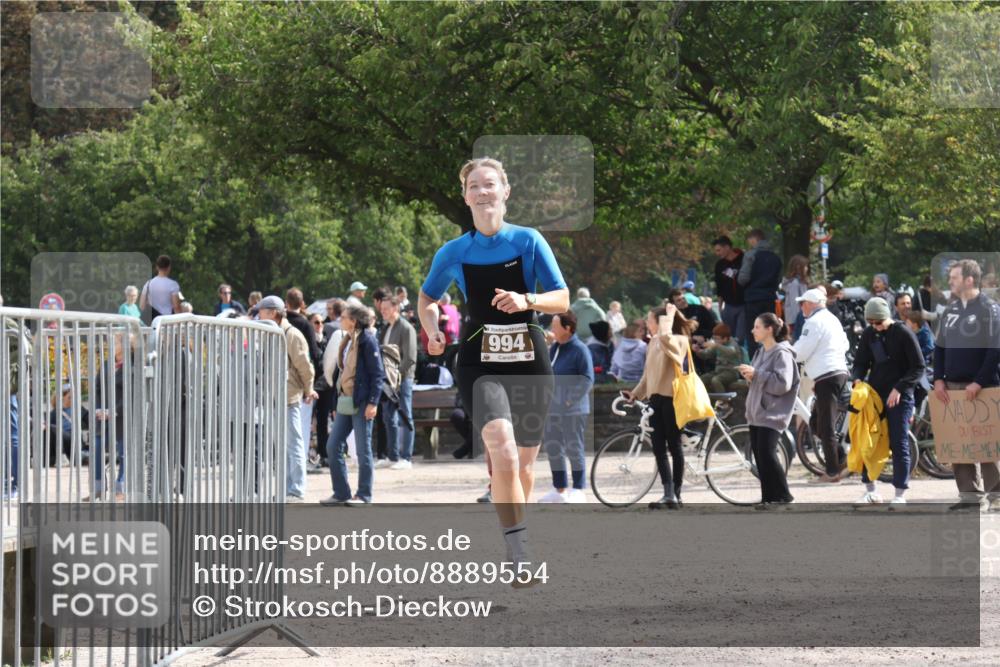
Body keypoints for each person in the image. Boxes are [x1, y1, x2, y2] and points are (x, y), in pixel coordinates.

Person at [418, 157, 569, 576]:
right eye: (474, 187)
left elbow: (562, 297)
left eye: (490, 184)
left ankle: (518, 529)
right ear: (465, 197)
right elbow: (427, 298)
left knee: (522, 464)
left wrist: (528, 301)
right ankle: (518, 550)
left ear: (505, 192)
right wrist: (431, 328)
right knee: (501, 450)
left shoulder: (528, 241)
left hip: (529, 359)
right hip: (478, 359)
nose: (483, 192)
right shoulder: (453, 252)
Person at [932, 259, 1000, 511]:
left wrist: (978, 382)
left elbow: (995, 351)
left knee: (985, 443)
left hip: (982, 388)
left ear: (969, 280)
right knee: (958, 444)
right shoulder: (950, 310)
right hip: (950, 387)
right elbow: (939, 348)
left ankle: (996, 496)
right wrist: (938, 379)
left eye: (954, 277)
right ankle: (969, 495)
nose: (950, 282)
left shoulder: (989, 309)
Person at [850, 297, 924, 506]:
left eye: (878, 322)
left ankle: (900, 493)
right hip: (874, 396)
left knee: (899, 442)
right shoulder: (869, 334)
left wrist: (899, 388)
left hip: (900, 396)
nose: (876, 327)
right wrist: (857, 378)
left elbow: (918, 367)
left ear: (887, 318)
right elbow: (861, 363)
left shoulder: (903, 333)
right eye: (871, 323)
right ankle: (870, 490)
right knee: (868, 440)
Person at [622, 303, 696, 510]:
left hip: (672, 400)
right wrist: (635, 394)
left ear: (662, 322)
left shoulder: (679, 341)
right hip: (655, 400)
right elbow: (648, 376)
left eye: (650, 320)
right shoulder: (653, 342)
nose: (647, 323)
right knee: (658, 448)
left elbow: (667, 341)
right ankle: (668, 492)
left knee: (674, 446)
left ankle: (677, 494)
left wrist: (668, 317)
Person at [321, 304, 385, 505]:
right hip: (346, 400)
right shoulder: (348, 339)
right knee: (333, 446)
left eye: (344, 316)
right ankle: (341, 493)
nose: (340, 319)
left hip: (362, 401)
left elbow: (377, 375)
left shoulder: (367, 340)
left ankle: (364, 494)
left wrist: (373, 402)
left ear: (354, 321)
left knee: (363, 449)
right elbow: (343, 373)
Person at [256, 295, 317, 503]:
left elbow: (305, 366)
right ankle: (286, 488)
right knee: (281, 446)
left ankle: (296, 489)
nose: (258, 315)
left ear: (273, 312)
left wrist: (309, 389)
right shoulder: (272, 332)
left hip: (288, 396)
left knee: (294, 444)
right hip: (274, 396)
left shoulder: (292, 335)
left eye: (261, 311)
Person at [736, 313, 799, 508]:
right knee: (760, 456)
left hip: (772, 413)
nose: (753, 330)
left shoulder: (782, 353)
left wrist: (757, 374)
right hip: (757, 413)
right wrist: (751, 376)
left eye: (757, 327)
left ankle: (783, 495)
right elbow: (760, 379)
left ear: (769, 329)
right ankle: (768, 498)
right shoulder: (760, 352)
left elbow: (782, 385)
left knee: (768, 454)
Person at [792, 288, 851, 483]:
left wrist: (784, 352)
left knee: (825, 426)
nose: (801, 306)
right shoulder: (832, 319)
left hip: (827, 376)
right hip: (837, 373)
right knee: (817, 422)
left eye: (803, 303)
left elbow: (800, 351)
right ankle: (840, 457)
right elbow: (845, 344)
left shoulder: (814, 322)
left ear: (811, 304)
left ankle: (832, 472)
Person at [538, 311, 594, 503]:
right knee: (554, 448)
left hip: (573, 410)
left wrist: (570, 400)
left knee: (574, 448)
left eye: (555, 326)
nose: (551, 329)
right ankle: (559, 488)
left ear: (567, 328)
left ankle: (578, 488)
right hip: (552, 409)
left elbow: (587, 378)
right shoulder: (554, 348)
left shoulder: (580, 349)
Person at [377, 295, 418, 470]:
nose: (382, 311)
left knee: (405, 416)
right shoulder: (386, 328)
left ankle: (406, 457)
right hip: (388, 380)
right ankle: (392, 456)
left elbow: (409, 358)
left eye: (386, 308)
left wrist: (397, 377)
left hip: (402, 379)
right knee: (388, 417)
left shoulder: (406, 328)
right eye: (381, 309)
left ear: (395, 308)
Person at [737, 229, 782, 358]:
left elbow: (743, 278)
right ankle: (771, 359)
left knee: (753, 332)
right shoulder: (775, 258)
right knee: (769, 331)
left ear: (753, 239)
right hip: (769, 298)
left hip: (752, 298)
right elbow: (778, 280)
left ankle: (755, 363)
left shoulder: (751, 255)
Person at [695, 323, 747, 394]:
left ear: (725, 338)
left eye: (717, 339)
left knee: (716, 380)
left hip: (731, 373)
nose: (715, 340)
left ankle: (723, 402)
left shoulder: (733, 343)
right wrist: (698, 351)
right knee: (702, 379)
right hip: (719, 371)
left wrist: (716, 345)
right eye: (714, 338)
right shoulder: (718, 345)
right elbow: (706, 355)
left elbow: (731, 351)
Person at [712, 235, 746, 344]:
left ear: (727, 247)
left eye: (719, 250)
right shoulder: (720, 265)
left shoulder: (744, 259)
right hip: (729, 305)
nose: (717, 253)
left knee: (740, 337)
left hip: (744, 304)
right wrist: (720, 306)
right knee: (728, 337)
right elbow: (719, 286)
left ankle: (741, 358)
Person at [139, 255, 181, 320]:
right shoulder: (173, 285)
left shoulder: (148, 283)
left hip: (152, 321)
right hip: (166, 321)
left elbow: (142, 306)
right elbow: (176, 307)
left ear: (157, 267)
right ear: (169, 267)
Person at [781, 255, 810, 337]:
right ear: (798, 267)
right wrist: (800, 319)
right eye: (805, 266)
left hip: (798, 318)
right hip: (795, 320)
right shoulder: (795, 283)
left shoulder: (800, 282)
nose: (806, 269)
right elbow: (795, 303)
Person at [610, 319, 647, 383]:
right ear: (634, 333)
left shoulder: (620, 346)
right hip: (640, 381)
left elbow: (614, 364)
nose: (643, 333)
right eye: (640, 331)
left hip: (622, 380)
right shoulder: (643, 346)